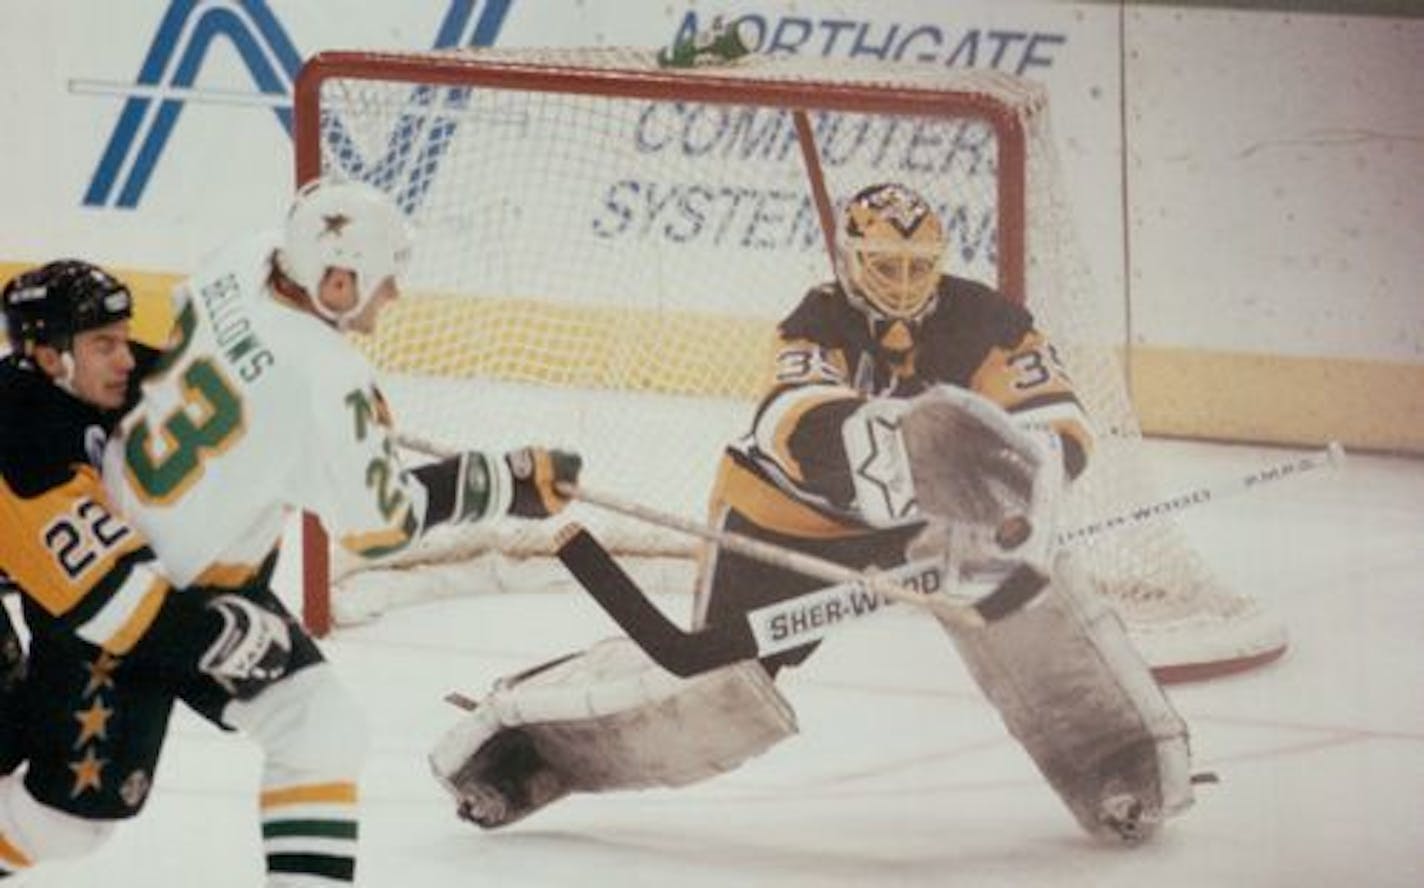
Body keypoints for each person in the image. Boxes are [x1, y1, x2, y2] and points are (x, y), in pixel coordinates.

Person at [429, 182, 1193, 843]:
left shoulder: (991, 319)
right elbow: (791, 420)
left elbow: (1059, 422)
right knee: (710, 689)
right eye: (884, 267)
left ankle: (1119, 768)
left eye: (917, 267)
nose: (901, 284)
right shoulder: (816, 318)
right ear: (850, 260)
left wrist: (1015, 492)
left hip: (915, 530)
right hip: (778, 522)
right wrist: (900, 456)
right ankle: (525, 744)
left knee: (1033, 600)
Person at [0, 180, 580, 884]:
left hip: (177, 563)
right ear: (336, 281)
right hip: (130, 600)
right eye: (382, 278)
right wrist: (495, 482)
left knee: (321, 727)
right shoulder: (331, 379)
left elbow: (211, 350)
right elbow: (377, 527)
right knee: (65, 825)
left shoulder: (239, 266)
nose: (392, 295)